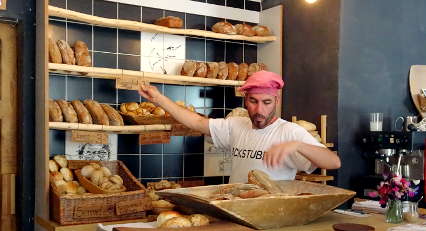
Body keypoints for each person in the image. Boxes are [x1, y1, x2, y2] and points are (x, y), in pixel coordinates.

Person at [138, 70, 341, 183]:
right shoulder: (236, 126)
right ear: (245, 100)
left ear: (276, 101)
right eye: (253, 101)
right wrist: (159, 99)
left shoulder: (289, 132)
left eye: (266, 102)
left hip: (271, 214)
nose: (259, 109)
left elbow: (333, 162)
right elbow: (197, 122)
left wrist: (298, 146)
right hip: (236, 209)